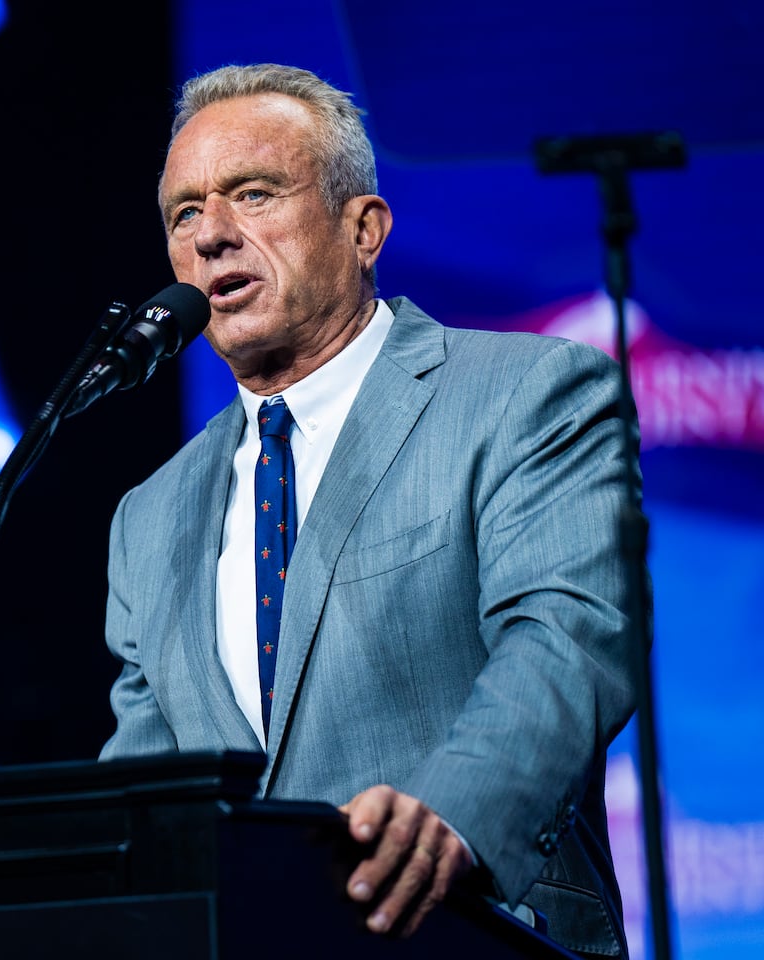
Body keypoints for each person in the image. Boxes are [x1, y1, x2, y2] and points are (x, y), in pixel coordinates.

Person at [99, 63, 638, 958]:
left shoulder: (526, 394)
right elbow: (150, 796)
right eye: (184, 213)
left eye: (253, 194)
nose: (212, 237)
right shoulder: (148, 517)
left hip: (474, 934)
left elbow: (570, 637)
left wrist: (454, 815)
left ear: (364, 229)